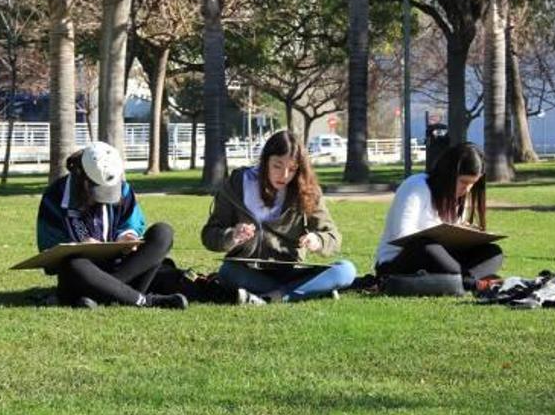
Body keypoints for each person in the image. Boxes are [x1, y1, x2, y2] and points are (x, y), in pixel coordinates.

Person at [201, 130, 356, 303]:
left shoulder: (307, 190)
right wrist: (231, 236)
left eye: (292, 169)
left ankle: (273, 297)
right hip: (248, 271)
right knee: (227, 272)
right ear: (265, 161)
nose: (284, 175)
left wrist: (318, 240)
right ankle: (308, 290)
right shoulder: (237, 184)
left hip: (290, 271)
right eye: (277, 166)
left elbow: (333, 237)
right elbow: (209, 235)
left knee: (346, 270)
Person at [37, 141, 187, 309]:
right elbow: (49, 254)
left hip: (121, 266)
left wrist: (127, 236)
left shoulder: (123, 190)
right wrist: (81, 247)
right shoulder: (54, 197)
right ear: (82, 178)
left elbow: (132, 223)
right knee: (73, 263)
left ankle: (101, 295)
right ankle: (145, 300)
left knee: (163, 233)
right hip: (83, 273)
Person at [374, 142, 503, 289]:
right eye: (463, 182)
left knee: (493, 251)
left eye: (472, 183)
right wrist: (440, 235)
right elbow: (402, 236)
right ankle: (468, 281)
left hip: (444, 260)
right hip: (401, 260)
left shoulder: (459, 196)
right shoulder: (416, 186)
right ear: (448, 174)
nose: (467, 189)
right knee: (426, 246)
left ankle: (463, 280)